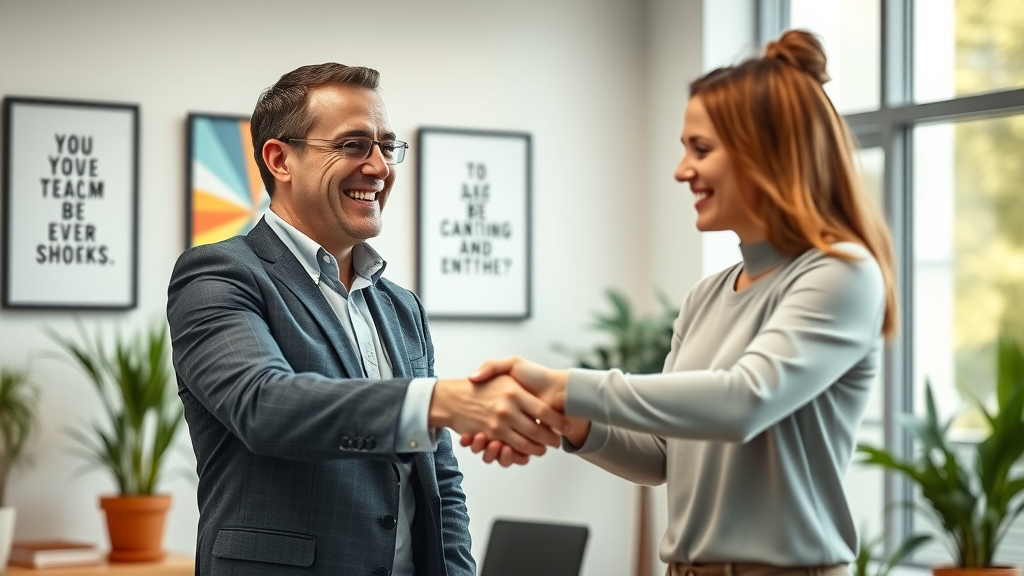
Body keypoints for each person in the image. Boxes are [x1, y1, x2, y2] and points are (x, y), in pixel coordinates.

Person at [463, 29, 898, 576]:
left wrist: (569, 384)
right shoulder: (706, 296)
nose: (681, 170)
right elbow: (660, 456)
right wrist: (573, 421)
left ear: (765, 156)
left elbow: (745, 401)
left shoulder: (840, 274)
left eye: (701, 149)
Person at [166, 63, 568, 576]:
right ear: (280, 159)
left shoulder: (401, 307)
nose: (379, 167)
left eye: (386, 146)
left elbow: (439, 482)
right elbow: (264, 406)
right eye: (353, 145)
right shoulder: (220, 274)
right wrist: (440, 401)